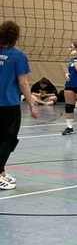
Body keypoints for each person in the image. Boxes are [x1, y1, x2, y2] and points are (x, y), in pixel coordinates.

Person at [0, 21, 40, 190]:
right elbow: (23, 83)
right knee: (9, 139)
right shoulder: (18, 56)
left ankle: (1, 171)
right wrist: (32, 105)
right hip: (9, 103)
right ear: (16, 36)